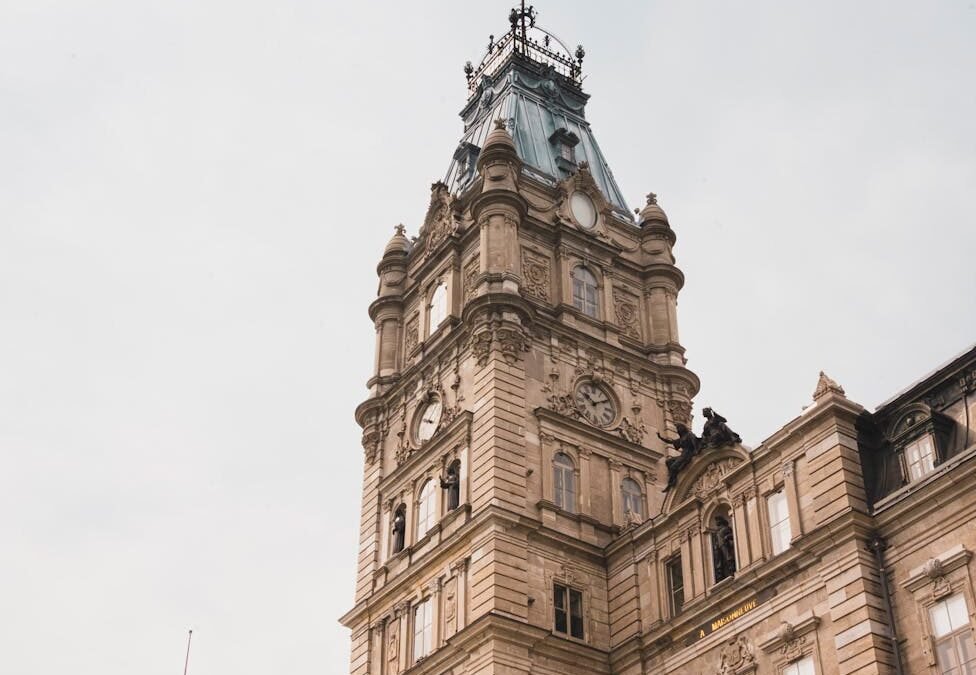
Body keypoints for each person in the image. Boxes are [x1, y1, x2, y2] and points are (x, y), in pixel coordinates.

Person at [658, 423, 700, 492]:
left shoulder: (689, 435)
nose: (678, 430)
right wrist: (660, 437)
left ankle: (671, 483)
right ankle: (673, 477)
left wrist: (696, 451)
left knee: (673, 466)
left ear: (682, 428)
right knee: (668, 461)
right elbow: (671, 442)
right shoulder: (682, 439)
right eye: (677, 429)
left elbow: (695, 443)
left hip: (688, 454)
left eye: (679, 428)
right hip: (683, 455)